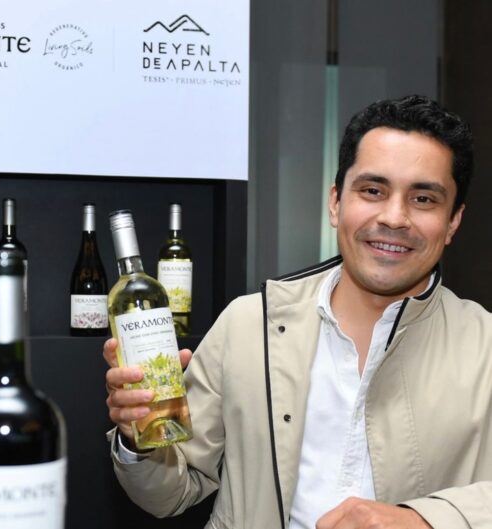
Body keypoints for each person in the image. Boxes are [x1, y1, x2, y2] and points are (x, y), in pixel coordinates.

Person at [103, 94, 492, 529]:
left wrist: (424, 520)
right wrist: (137, 437)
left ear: (453, 221)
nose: (394, 217)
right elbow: (169, 492)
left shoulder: (485, 347)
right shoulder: (248, 325)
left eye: (423, 199)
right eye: (372, 191)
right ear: (336, 202)